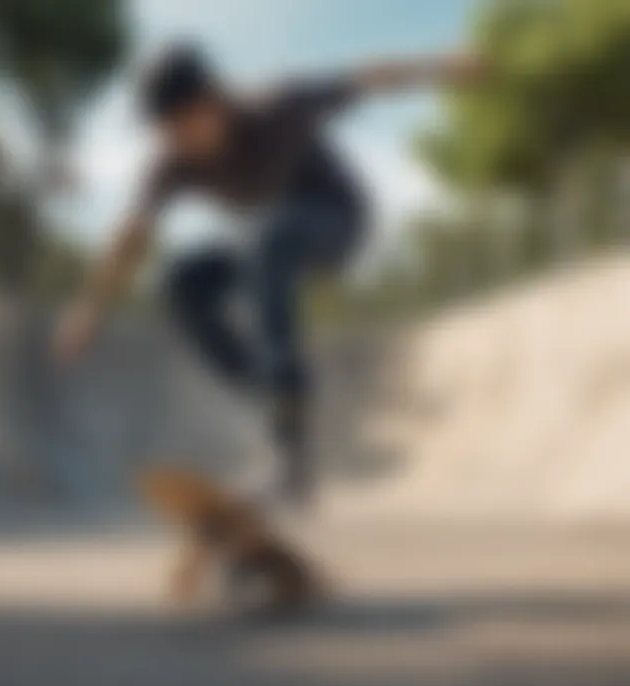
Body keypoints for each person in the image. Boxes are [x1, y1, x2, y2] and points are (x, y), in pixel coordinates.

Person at [53, 43, 484, 506]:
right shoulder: (172, 162)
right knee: (182, 282)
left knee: (270, 241)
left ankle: (290, 462)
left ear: (212, 102)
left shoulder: (278, 106)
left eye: (181, 123)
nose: (174, 138)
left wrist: (441, 67)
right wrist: (89, 308)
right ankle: (276, 395)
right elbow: (133, 235)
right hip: (266, 245)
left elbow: (365, 79)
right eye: (163, 129)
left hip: (337, 220)